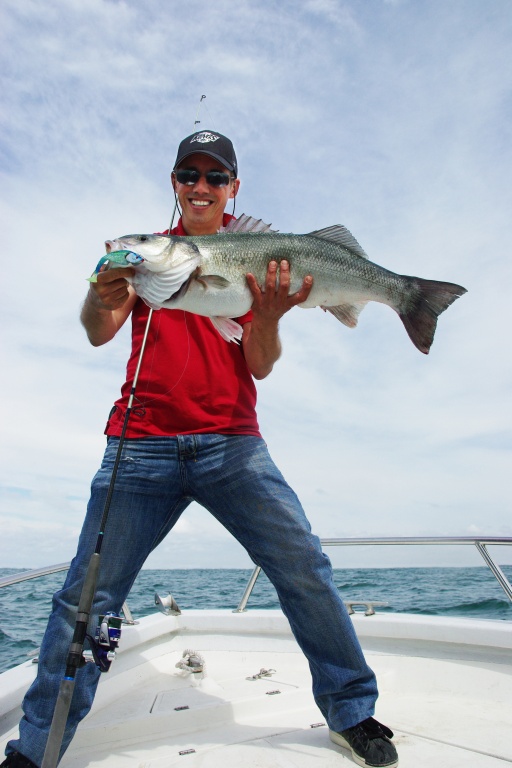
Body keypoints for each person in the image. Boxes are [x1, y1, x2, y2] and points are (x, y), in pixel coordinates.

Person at [2, 130, 399, 768]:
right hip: (140, 449)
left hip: (232, 445)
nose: (201, 186)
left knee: (304, 567)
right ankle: (36, 746)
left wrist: (266, 318)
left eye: (216, 177)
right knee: (85, 598)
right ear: (175, 184)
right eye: (189, 174)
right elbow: (97, 330)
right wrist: (97, 294)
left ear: (233, 189)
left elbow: (260, 366)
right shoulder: (144, 259)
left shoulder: (249, 254)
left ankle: (353, 710)